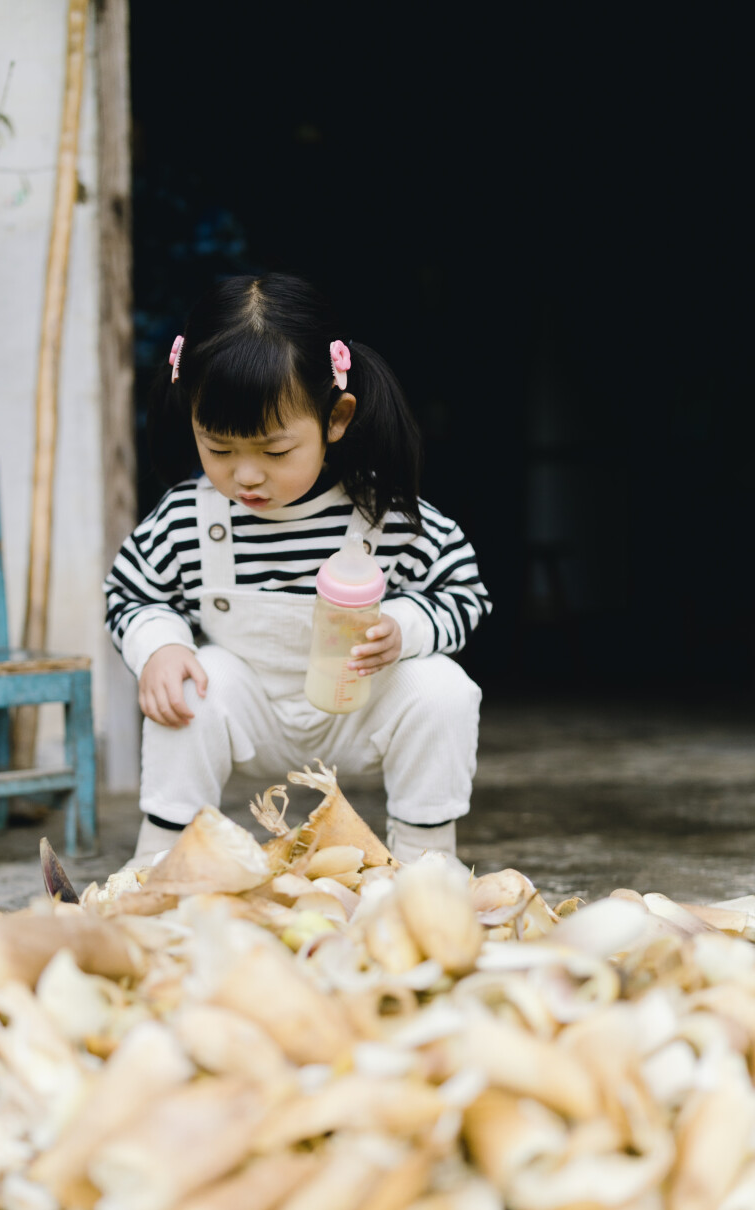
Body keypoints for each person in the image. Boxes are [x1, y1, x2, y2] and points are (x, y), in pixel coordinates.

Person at [104, 273, 492, 865]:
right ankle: (163, 858)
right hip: (248, 714)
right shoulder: (189, 517)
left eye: (275, 451)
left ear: (335, 419)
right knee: (190, 676)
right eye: (219, 449)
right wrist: (157, 645)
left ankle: (424, 857)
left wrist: (405, 628)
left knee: (443, 687)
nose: (247, 476)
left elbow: (463, 590)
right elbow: (130, 593)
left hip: (358, 711)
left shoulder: (381, 514)